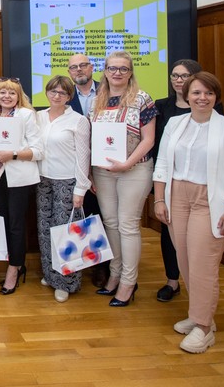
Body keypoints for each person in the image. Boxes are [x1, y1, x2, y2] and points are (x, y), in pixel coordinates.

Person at [153, 72, 224, 353]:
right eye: (196, 92)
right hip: (177, 197)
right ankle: (200, 314)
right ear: (186, 95)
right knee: (184, 260)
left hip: (210, 200)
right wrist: (159, 200)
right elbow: (162, 163)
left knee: (202, 264)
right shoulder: (175, 123)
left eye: (209, 93)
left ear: (216, 97)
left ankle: (204, 328)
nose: (202, 98)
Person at [151, 60, 224, 303]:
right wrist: (159, 193)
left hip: (205, 188)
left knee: (199, 247)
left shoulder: (219, 116)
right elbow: (159, 151)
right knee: (170, 234)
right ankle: (172, 281)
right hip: (169, 182)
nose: (178, 80)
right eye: (174, 75)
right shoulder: (162, 108)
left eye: (184, 76)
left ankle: (200, 302)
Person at [89, 50, 156, 307]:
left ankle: (129, 282)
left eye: (123, 69)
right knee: (111, 222)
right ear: (105, 72)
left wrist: (127, 163)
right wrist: (90, 171)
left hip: (134, 169)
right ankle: (115, 275)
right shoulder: (97, 100)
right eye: (112, 68)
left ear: (130, 73)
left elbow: (148, 139)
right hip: (103, 172)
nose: (117, 73)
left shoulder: (142, 99)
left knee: (128, 225)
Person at [0, 77, 43, 295]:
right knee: (4, 221)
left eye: (11, 93)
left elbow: (38, 151)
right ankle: (16, 263)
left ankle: (14, 269)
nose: (6, 96)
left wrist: (13, 154)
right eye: (2, 92)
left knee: (16, 224)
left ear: (19, 97)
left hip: (19, 177)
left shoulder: (26, 115)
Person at [35, 75, 91, 303]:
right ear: (47, 93)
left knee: (65, 233)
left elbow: (83, 157)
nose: (57, 96)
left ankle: (66, 282)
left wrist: (80, 189)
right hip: (42, 180)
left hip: (67, 182)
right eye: (53, 91)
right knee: (45, 231)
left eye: (62, 93)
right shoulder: (38, 117)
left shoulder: (78, 120)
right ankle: (51, 275)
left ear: (69, 96)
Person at [66, 54, 108, 288]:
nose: (79, 70)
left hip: (105, 163)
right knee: (84, 216)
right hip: (75, 166)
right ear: (69, 72)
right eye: (74, 67)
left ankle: (103, 266)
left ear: (92, 67)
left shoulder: (108, 91)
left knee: (102, 216)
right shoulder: (64, 94)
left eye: (83, 65)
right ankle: (82, 264)